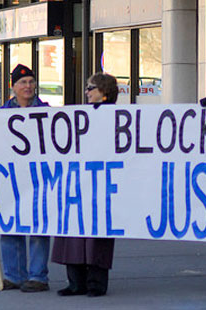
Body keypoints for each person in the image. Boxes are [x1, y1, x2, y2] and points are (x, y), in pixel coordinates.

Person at [51, 72, 118, 297]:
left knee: (98, 235)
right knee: (73, 232)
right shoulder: (79, 115)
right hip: (77, 181)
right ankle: (75, 281)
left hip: (102, 182)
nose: (87, 92)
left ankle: (96, 283)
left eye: (91, 88)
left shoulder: (118, 116)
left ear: (104, 91)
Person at [0, 64, 50, 292]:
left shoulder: (47, 112)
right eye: (23, 82)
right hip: (11, 178)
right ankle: (13, 275)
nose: (28, 86)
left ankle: (38, 277)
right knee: (10, 225)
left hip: (38, 178)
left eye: (31, 82)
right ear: (13, 87)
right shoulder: (0, 115)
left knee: (38, 226)